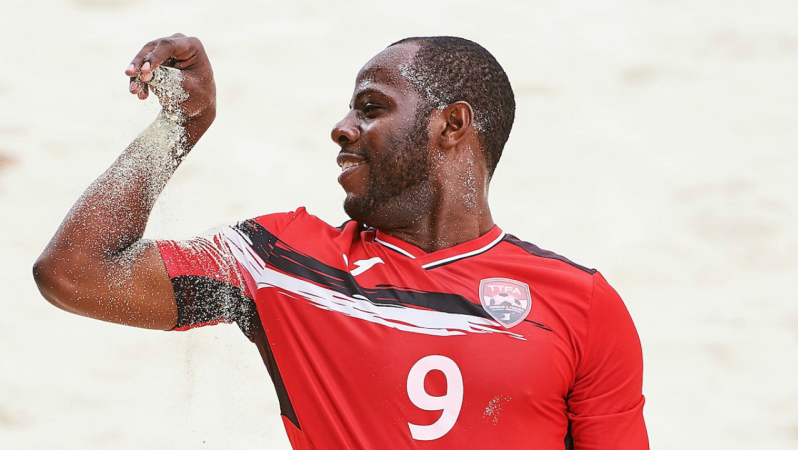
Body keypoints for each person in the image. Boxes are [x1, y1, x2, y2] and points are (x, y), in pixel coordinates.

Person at [33, 33, 649, 449]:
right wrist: (180, 125)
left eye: (371, 108)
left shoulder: (582, 304)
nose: (341, 128)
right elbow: (74, 272)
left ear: (452, 125)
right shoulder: (280, 261)